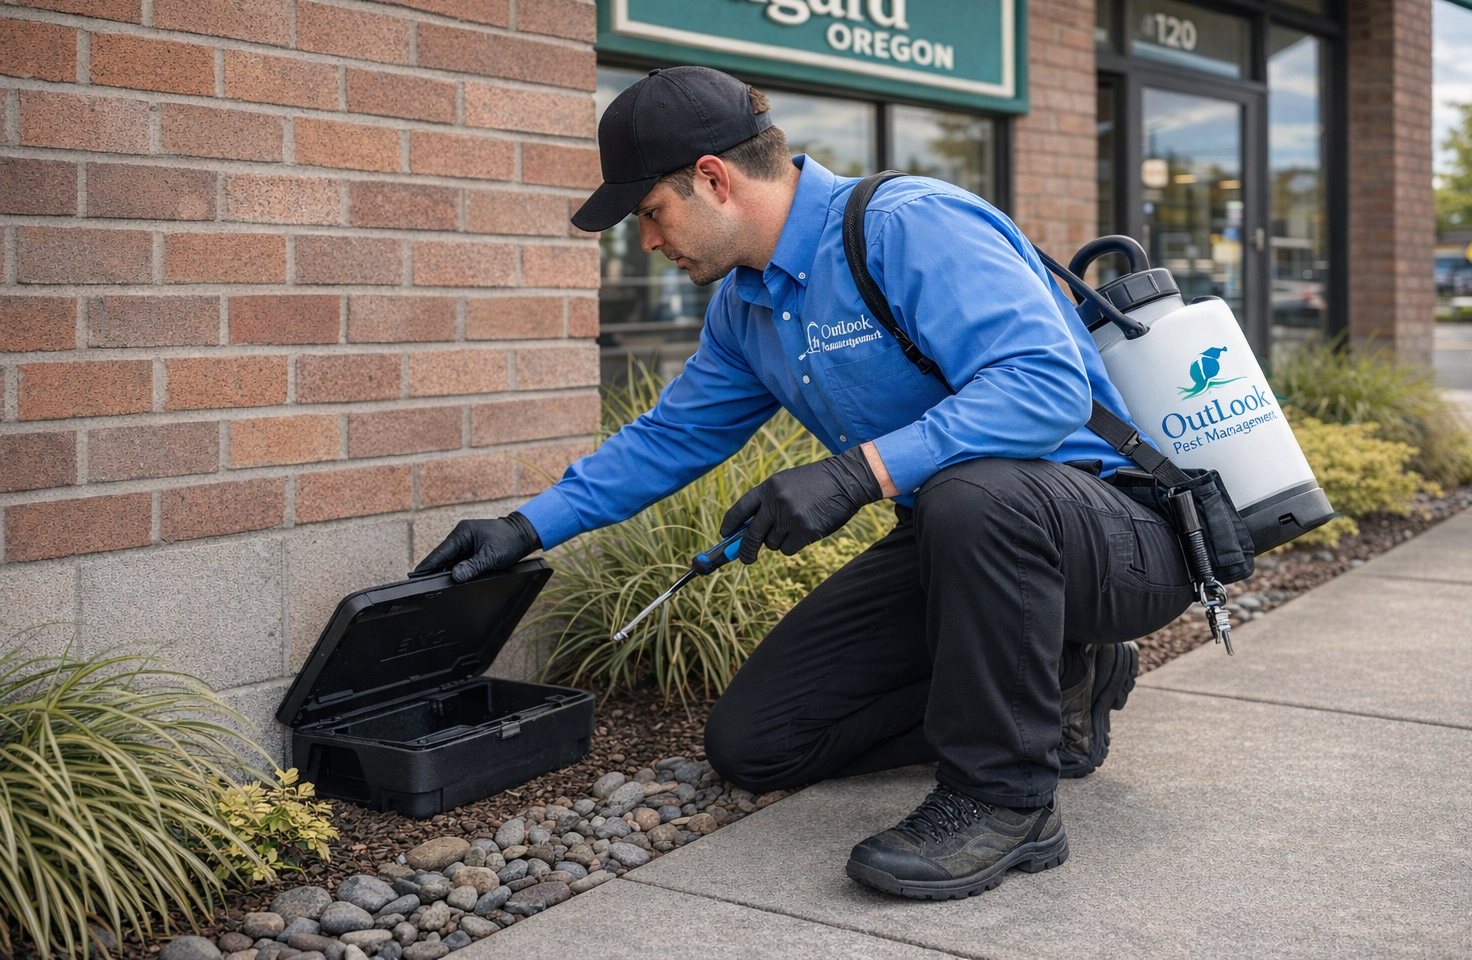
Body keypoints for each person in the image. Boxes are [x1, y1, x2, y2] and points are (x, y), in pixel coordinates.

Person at [413, 66, 1195, 900]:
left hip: (1117, 536)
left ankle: (1005, 798)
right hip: (966, 543)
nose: (645, 241)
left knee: (975, 497)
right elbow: (671, 436)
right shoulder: (746, 308)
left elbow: (1043, 386)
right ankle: (1069, 678)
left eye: (650, 213)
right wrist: (526, 527)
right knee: (757, 743)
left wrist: (854, 473)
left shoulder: (910, 225)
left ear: (712, 178)